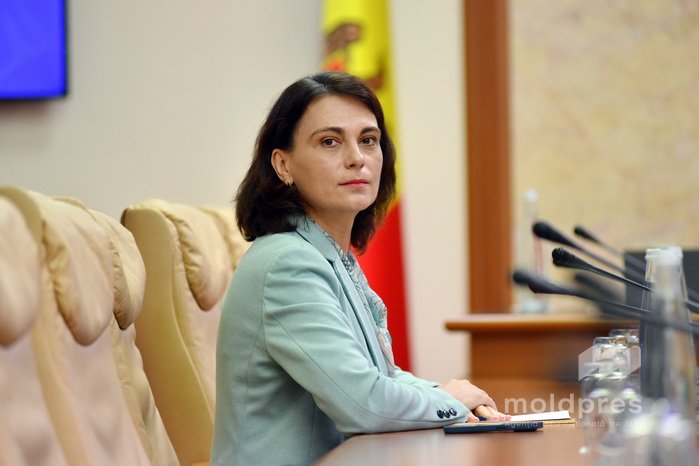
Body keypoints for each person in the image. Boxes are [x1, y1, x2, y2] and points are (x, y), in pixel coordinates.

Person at [211, 71, 507, 466]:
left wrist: (450, 395)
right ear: (283, 164)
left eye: (368, 140)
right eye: (330, 142)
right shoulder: (287, 264)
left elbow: (379, 377)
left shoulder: (326, 253)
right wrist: (449, 401)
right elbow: (363, 404)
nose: (357, 158)